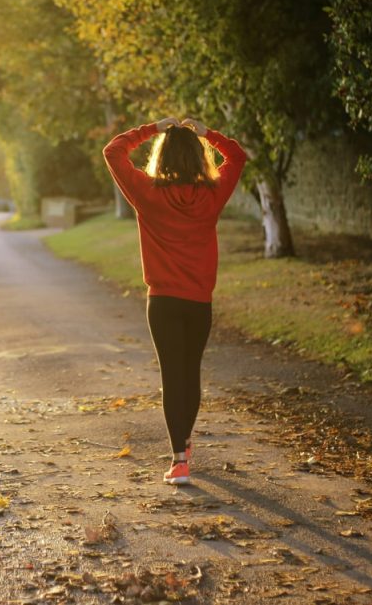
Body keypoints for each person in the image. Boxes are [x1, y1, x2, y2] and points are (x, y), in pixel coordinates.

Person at [103, 116, 247, 485]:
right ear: (199, 158)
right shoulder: (212, 195)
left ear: (162, 157)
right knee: (190, 373)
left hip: (163, 302)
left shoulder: (147, 193)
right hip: (198, 302)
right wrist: (207, 134)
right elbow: (237, 156)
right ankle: (183, 444)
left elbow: (113, 151)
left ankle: (179, 459)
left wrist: (152, 128)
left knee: (172, 376)